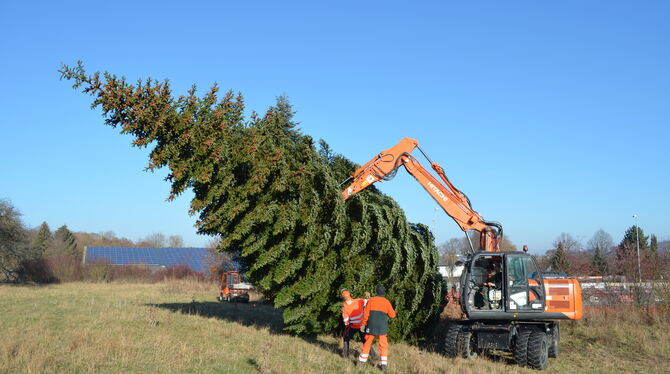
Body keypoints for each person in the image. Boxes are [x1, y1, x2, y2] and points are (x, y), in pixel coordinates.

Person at [358, 285, 396, 371]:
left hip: (371, 326)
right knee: (383, 346)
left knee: (367, 344)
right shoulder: (387, 302)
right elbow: (392, 315)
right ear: (384, 292)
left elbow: (365, 314)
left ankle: (361, 362)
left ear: (376, 291)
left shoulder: (371, 300)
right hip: (382, 327)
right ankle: (383, 365)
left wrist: (363, 324)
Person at [340, 288, 366, 358]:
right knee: (366, 341)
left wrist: (347, 327)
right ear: (350, 295)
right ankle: (373, 356)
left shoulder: (344, 308)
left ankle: (345, 355)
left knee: (346, 339)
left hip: (352, 327)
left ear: (344, 298)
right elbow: (366, 302)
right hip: (362, 325)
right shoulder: (359, 301)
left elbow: (346, 322)